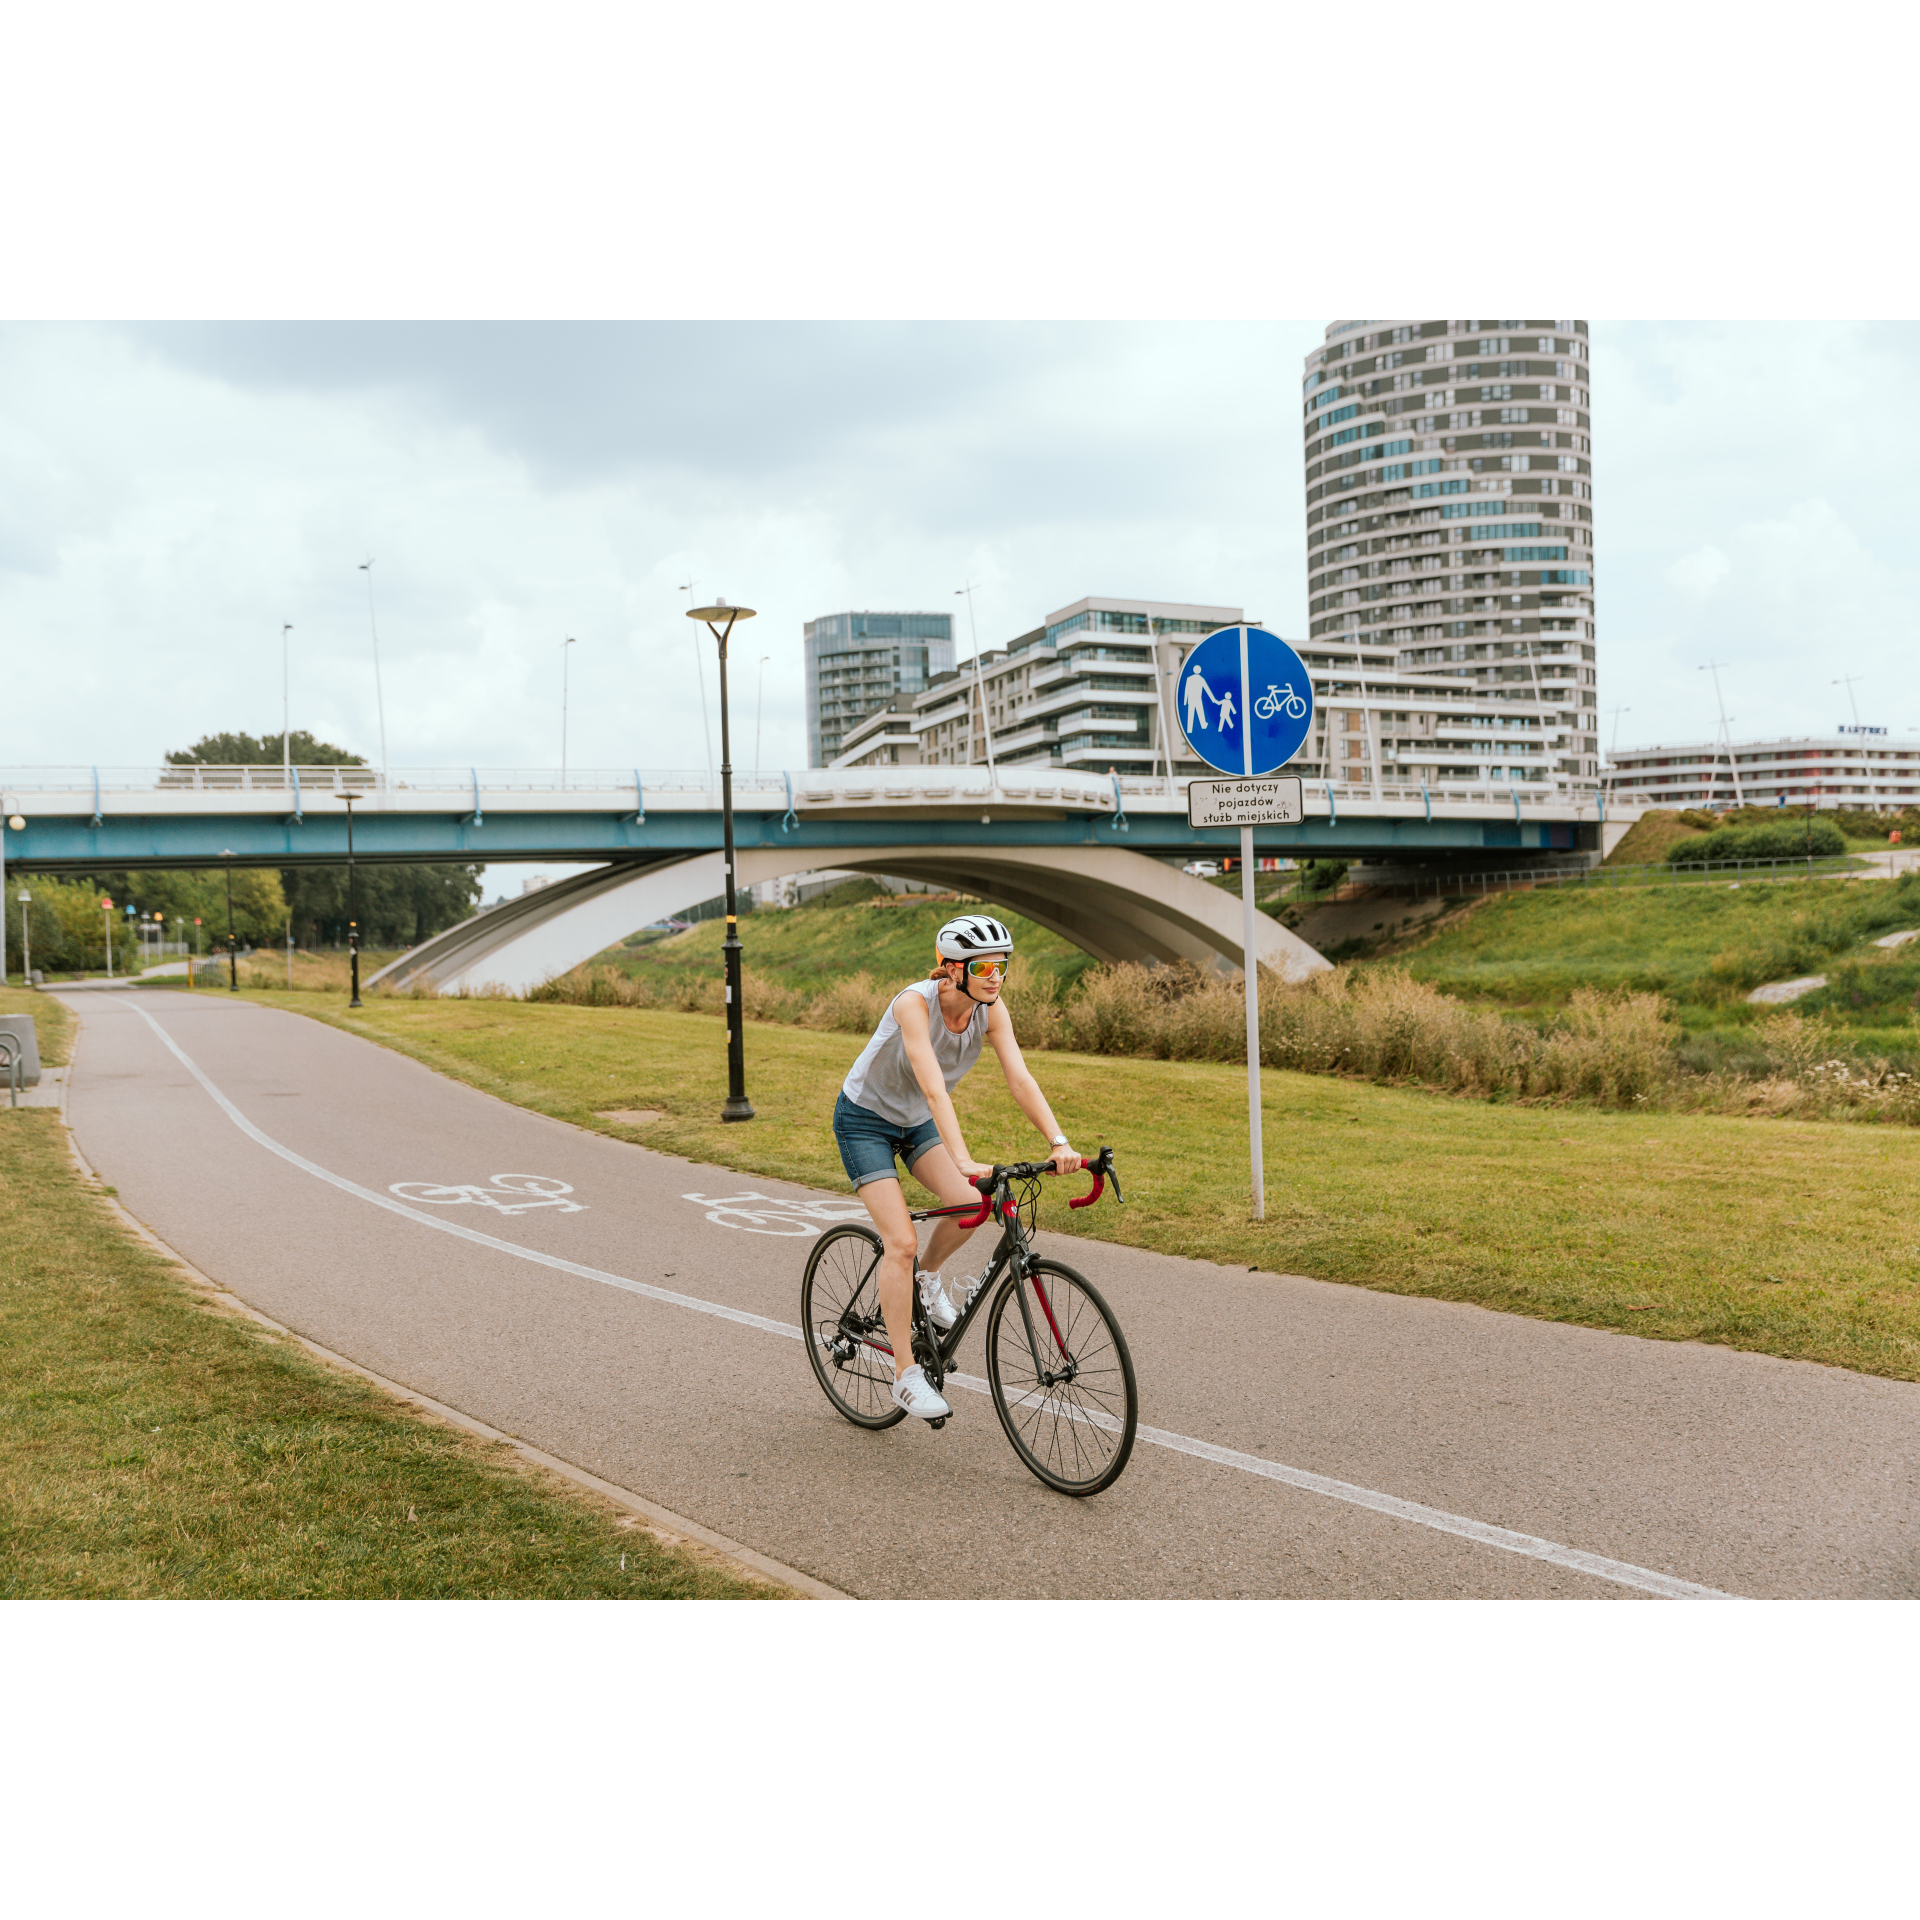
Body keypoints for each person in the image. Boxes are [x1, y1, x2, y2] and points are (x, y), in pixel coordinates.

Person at [833, 912, 1081, 1421]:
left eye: (1002, 967)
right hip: (865, 1121)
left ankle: (927, 1277)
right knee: (899, 1241)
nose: (996, 976)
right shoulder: (912, 1005)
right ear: (951, 969)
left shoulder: (992, 1011)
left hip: (915, 1121)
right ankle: (905, 1376)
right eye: (985, 966)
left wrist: (1059, 1142)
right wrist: (963, 1157)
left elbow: (1020, 1079)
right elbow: (930, 1083)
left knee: (970, 1203)